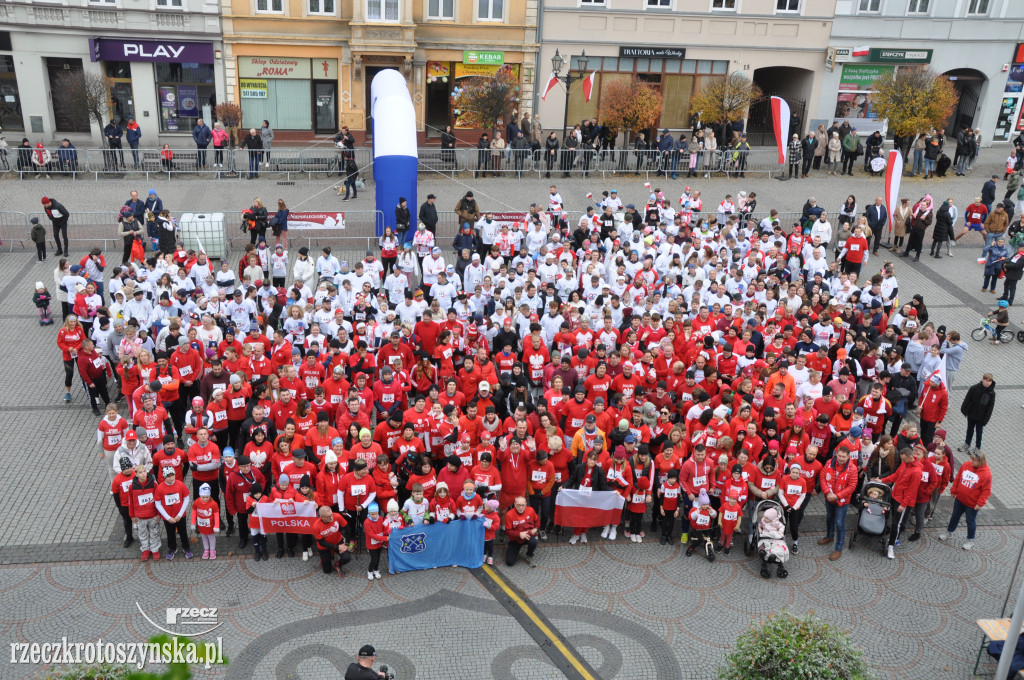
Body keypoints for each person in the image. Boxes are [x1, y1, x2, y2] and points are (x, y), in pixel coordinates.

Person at [938, 450, 991, 550]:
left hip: (972, 504)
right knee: (954, 517)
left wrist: (980, 503)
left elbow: (986, 491)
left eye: (974, 461)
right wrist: (953, 490)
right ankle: (949, 532)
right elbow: (958, 478)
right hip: (960, 499)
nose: (971, 462)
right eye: (971, 460)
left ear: (980, 462)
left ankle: (970, 540)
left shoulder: (986, 474)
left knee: (970, 521)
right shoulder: (966, 465)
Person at [817, 446, 857, 561]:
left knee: (839, 523)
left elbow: (852, 487)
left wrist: (837, 496)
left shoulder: (852, 469)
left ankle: (838, 547)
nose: (841, 459)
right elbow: (823, 477)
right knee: (829, 518)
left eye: (844, 457)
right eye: (839, 456)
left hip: (842, 501)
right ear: (836, 454)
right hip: (829, 497)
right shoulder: (829, 462)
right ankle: (829, 536)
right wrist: (827, 492)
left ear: (848, 456)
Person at [959, 373, 996, 454]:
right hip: (972, 414)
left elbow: (990, 408)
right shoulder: (974, 388)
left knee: (979, 432)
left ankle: (977, 447)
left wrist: (986, 419)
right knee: (969, 429)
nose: (987, 383)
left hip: (981, 417)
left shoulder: (991, 393)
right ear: (982, 379)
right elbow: (967, 398)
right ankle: (967, 444)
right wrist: (964, 409)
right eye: (986, 380)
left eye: (989, 381)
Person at [503, 495, 539, 566]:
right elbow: (507, 531)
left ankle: (529, 554)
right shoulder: (509, 514)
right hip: (515, 539)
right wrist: (519, 534)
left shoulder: (531, 510)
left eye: (523, 505)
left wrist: (536, 528)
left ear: (526, 504)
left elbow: (537, 520)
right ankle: (515, 548)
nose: (521, 507)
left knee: (534, 542)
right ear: (515, 504)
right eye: (519, 505)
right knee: (509, 562)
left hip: (528, 535)